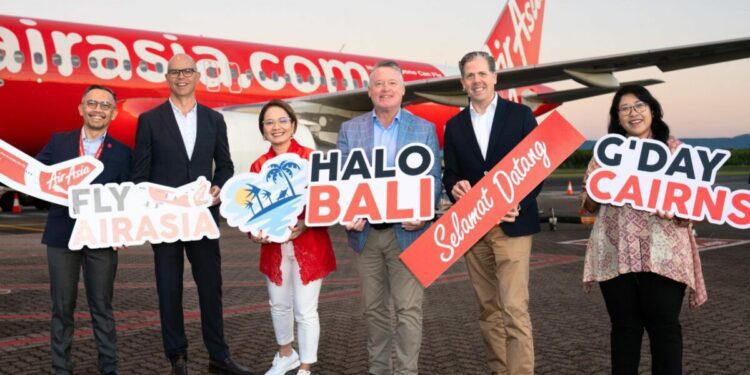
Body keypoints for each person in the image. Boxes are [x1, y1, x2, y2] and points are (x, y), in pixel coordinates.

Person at [132, 54, 251, 375]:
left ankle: (219, 356)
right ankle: (177, 357)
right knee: (168, 288)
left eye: (187, 71)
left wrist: (218, 186)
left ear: (197, 76)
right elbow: (140, 175)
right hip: (165, 221)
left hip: (202, 218)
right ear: (167, 78)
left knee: (210, 287)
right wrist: (154, 201)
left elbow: (225, 165)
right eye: (175, 72)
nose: (181, 76)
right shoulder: (150, 120)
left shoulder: (214, 120)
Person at [581, 84, 707, 374]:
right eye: (624, 108)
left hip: (662, 252)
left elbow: (692, 211)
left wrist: (678, 209)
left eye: (639, 105)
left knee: (664, 327)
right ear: (617, 117)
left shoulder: (675, 151)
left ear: (652, 110)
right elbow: (588, 206)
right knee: (624, 328)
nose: (632, 113)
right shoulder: (606, 153)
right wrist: (596, 192)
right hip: (615, 252)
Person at [337, 60, 441, 375]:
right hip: (366, 234)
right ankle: (378, 370)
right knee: (374, 311)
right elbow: (342, 180)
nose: (385, 89)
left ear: (402, 89)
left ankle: (406, 371)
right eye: (379, 84)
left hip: (407, 233)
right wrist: (347, 212)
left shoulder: (423, 128)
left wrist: (424, 214)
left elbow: (434, 178)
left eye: (392, 83)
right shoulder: (350, 129)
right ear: (369, 91)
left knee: (409, 310)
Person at [442, 51, 541, 375]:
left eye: (482, 74)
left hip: (511, 225)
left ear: (495, 77)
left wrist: (520, 203)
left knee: (514, 308)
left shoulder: (521, 115)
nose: (477, 81)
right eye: (470, 76)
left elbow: (538, 167)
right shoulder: (454, 125)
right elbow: (451, 173)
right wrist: (454, 186)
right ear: (462, 83)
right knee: (488, 309)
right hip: (474, 228)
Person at [37, 84, 131, 375]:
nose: (97, 109)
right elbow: (38, 177)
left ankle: (109, 367)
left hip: (102, 237)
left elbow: (129, 197)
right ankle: (61, 368)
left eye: (105, 105)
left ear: (113, 113)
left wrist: (122, 230)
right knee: (62, 308)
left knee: (102, 307)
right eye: (92, 103)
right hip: (62, 236)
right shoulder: (59, 142)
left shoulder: (124, 153)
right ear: (81, 108)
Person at [248, 99, 337, 375]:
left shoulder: (313, 159)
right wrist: (254, 232)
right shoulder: (258, 165)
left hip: (309, 245)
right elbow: (251, 209)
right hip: (274, 249)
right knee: (279, 304)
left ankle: (306, 367)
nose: (276, 127)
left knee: (305, 309)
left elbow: (330, 201)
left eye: (282, 120)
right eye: (269, 122)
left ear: (294, 125)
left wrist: (307, 223)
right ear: (263, 131)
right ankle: (286, 354)